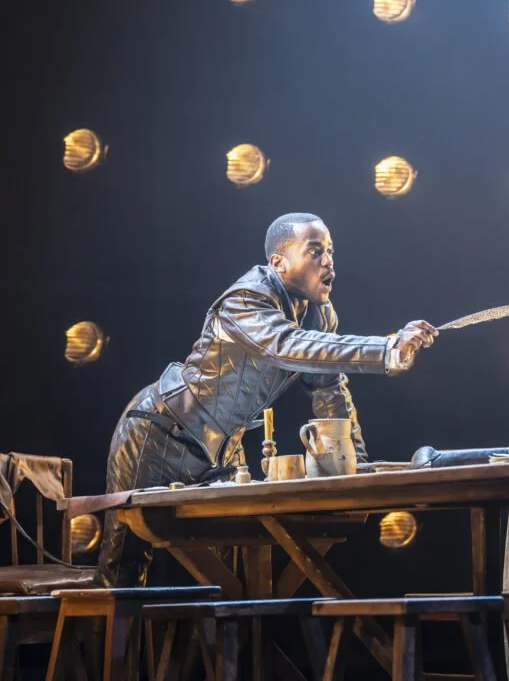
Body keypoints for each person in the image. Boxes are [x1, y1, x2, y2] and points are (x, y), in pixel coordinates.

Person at [96, 212, 438, 588]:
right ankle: (99, 647)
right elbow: (286, 346)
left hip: (223, 451)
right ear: (279, 262)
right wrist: (387, 349)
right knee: (123, 574)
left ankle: (217, 649)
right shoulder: (246, 299)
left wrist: (352, 465)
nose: (329, 262)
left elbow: (329, 390)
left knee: (227, 582)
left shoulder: (320, 315)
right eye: (315, 252)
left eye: (331, 252)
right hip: (160, 436)